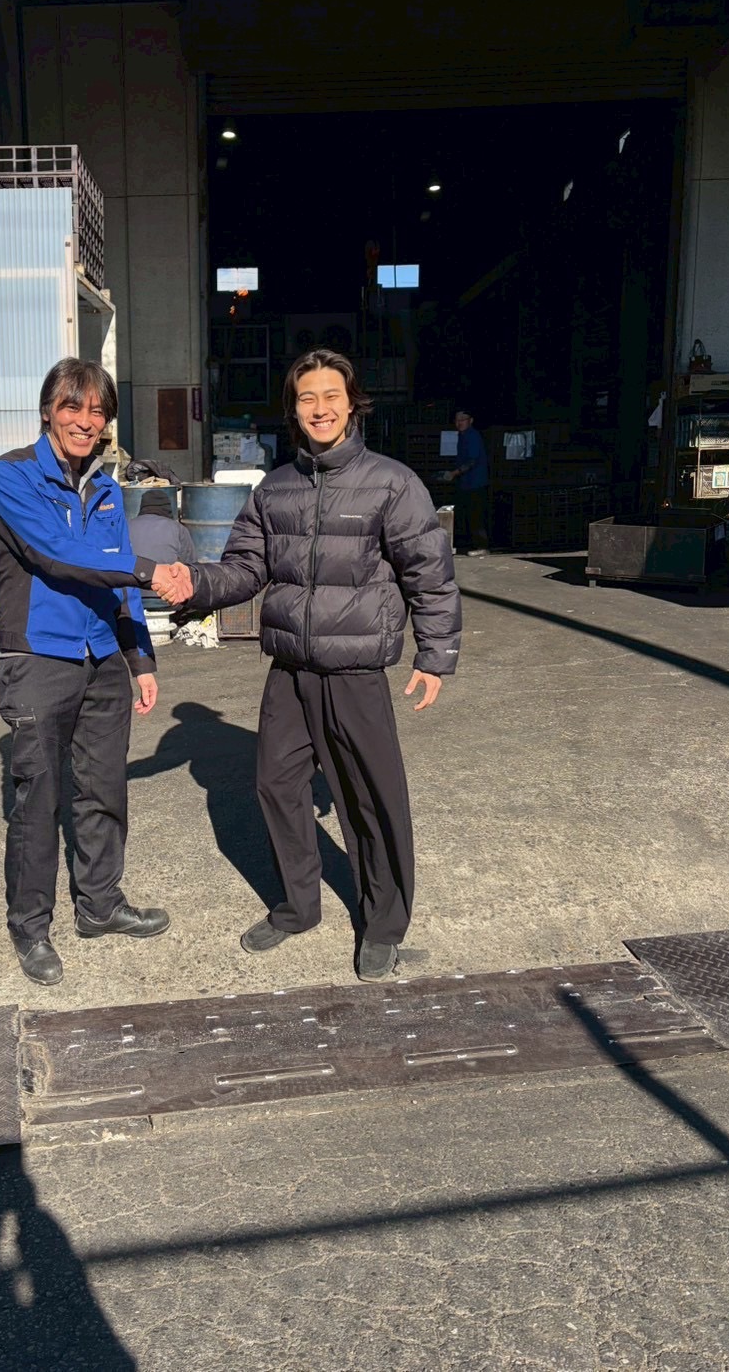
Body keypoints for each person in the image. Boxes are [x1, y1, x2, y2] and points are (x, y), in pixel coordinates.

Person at [153, 347, 462, 983]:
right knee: (275, 783)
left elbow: (429, 574)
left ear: (352, 404)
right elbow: (245, 568)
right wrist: (195, 583)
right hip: (290, 668)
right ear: (294, 410)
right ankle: (299, 906)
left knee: (369, 799)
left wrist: (435, 654)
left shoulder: (392, 483)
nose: (319, 409)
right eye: (306, 399)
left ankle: (383, 926)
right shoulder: (276, 488)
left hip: (355, 671)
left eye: (330, 396)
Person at [0, 358, 179, 987]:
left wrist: (140, 658)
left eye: (98, 411)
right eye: (73, 407)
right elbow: (58, 555)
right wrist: (150, 571)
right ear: (48, 411)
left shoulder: (105, 489)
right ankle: (30, 927)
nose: (86, 422)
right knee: (38, 798)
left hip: (102, 660)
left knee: (103, 789)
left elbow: (116, 581)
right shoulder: (10, 476)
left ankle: (100, 906)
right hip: (39, 657)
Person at [445, 409, 489, 556]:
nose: (459, 423)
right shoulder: (462, 436)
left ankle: (482, 546)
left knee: (476, 515)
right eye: (457, 420)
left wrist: (454, 473)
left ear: (471, 420)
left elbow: (472, 461)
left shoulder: (472, 436)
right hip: (465, 483)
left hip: (476, 482)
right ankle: (471, 544)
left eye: (462, 419)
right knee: (467, 515)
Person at [128, 489, 196, 566]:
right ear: (167, 508)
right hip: (166, 572)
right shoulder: (178, 528)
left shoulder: (127, 526)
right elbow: (191, 564)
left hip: (131, 573)